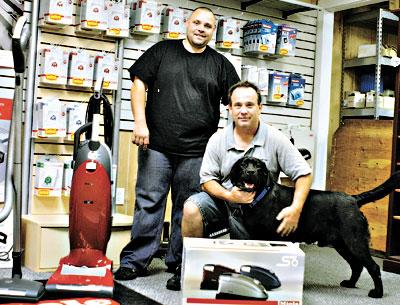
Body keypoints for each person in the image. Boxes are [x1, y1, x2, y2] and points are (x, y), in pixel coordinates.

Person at [113, 7, 240, 291]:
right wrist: (139, 123)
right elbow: (138, 84)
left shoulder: (220, 64)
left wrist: (231, 140)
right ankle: (135, 261)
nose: (201, 28)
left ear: (212, 31)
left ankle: (180, 263)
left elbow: (236, 99)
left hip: (198, 150)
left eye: (208, 25)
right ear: (187, 23)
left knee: (189, 209)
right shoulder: (162, 51)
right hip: (156, 143)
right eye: (197, 22)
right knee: (148, 202)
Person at [181, 81, 313, 283]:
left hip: (259, 210)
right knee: (191, 208)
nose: (243, 111)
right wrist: (229, 195)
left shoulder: (276, 138)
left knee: (248, 266)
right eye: (238, 105)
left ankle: (250, 273)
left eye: (250, 105)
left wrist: (296, 209)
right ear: (230, 108)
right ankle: (189, 269)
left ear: (260, 108)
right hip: (224, 202)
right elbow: (206, 180)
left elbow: (303, 173)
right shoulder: (217, 139)